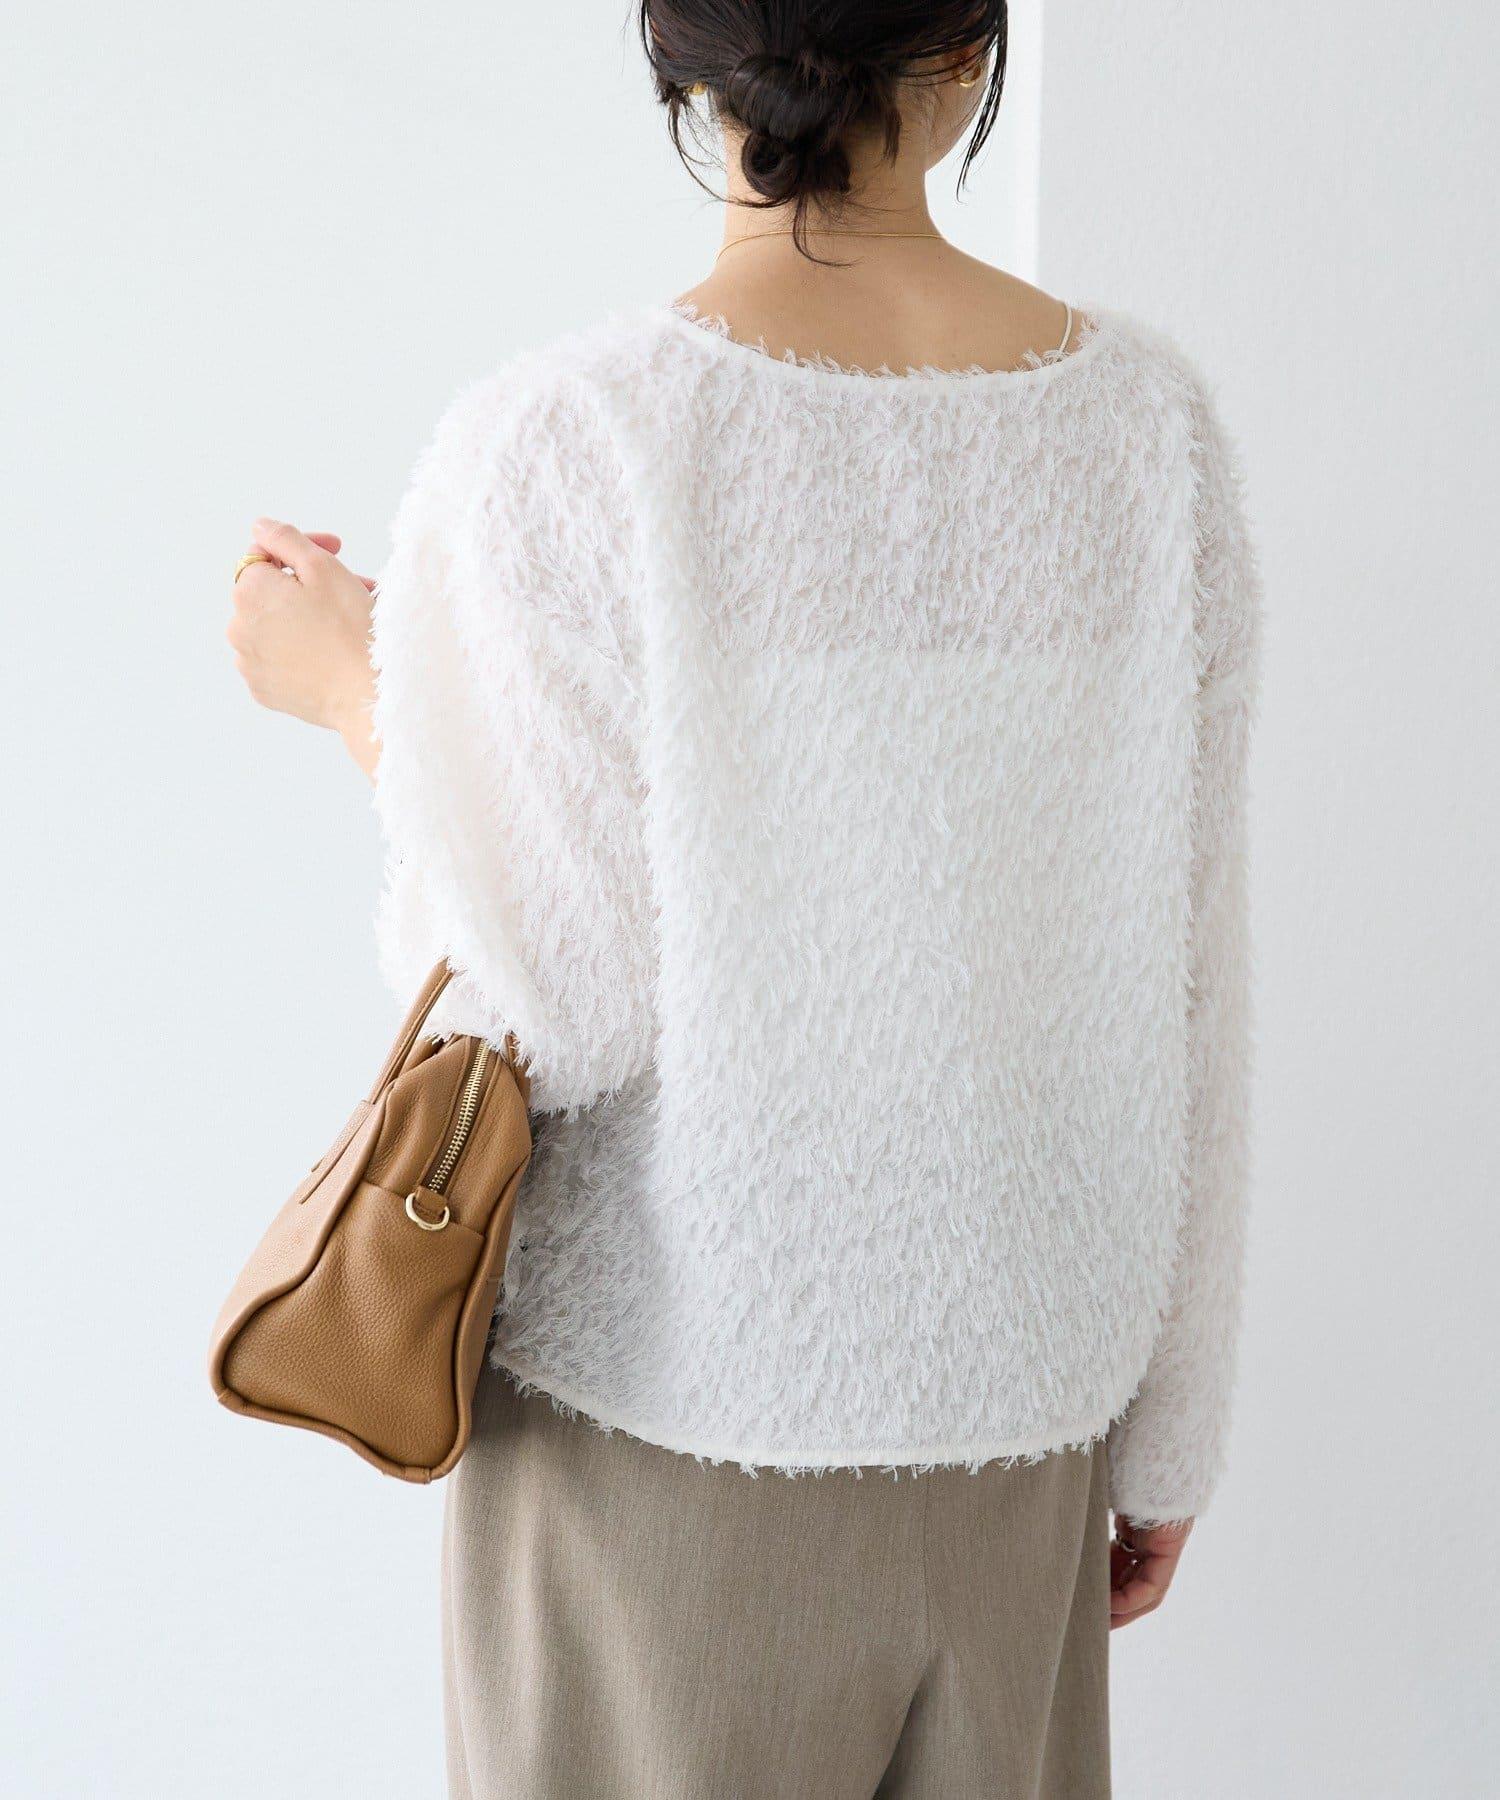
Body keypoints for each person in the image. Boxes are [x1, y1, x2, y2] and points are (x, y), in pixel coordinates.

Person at [225, 3, 1259, 1794]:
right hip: (1021, 1433)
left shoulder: (576, 440)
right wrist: (1170, 1440)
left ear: (685, 65)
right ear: (970, 52)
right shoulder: (1147, 435)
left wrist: (359, 695)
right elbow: (1197, 980)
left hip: (665, 1449)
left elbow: (552, 990)